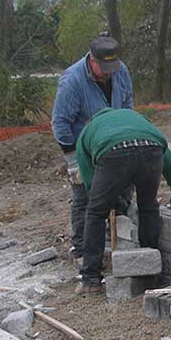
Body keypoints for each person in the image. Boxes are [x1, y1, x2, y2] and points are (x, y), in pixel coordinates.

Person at [73, 108, 171, 294]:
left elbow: (92, 186)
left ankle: (91, 279)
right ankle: (150, 273)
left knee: (96, 213)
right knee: (148, 208)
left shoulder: (87, 132)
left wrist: (118, 204)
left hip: (112, 152)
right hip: (152, 149)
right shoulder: (142, 124)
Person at [51, 34, 134, 262]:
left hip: (114, 143)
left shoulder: (120, 71)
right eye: (104, 69)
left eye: (112, 68)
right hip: (84, 149)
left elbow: (127, 104)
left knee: (123, 191)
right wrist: (73, 160)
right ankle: (81, 249)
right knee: (85, 197)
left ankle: (116, 239)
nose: (109, 73)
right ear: (92, 60)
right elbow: (60, 123)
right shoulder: (72, 81)